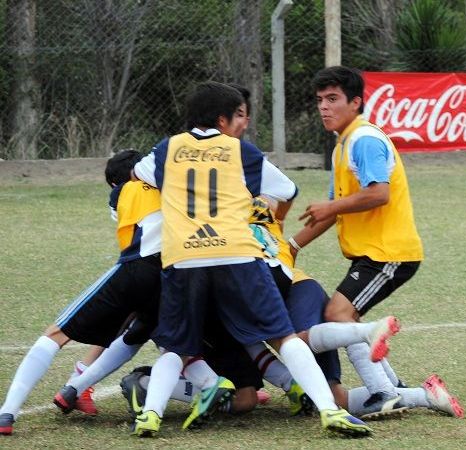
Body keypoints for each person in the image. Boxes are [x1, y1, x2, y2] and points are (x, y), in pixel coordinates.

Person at [130, 81, 371, 437]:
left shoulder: (168, 148)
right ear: (222, 120)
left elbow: (137, 172)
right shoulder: (240, 150)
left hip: (183, 257)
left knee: (177, 345)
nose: (241, 124)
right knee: (283, 337)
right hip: (237, 254)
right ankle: (329, 411)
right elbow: (286, 190)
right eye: (237, 116)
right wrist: (266, 212)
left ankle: (150, 414)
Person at [290, 65, 425, 415]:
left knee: (338, 313)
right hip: (373, 254)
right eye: (320, 100)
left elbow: (379, 193)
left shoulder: (363, 140)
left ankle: (383, 392)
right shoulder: (344, 145)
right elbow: (331, 212)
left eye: (333, 98)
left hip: (389, 253)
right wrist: (292, 246)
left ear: (355, 102)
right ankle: (395, 388)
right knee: (345, 318)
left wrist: (331, 206)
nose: (324, 107)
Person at [0, 150, 162, 436]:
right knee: (140, 335)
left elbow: (122, 211)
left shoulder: (122, 192)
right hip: (173, 278)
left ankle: (7, 412)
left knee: (56, 334)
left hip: (136, 268)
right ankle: (77, 386)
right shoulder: (172, 187)